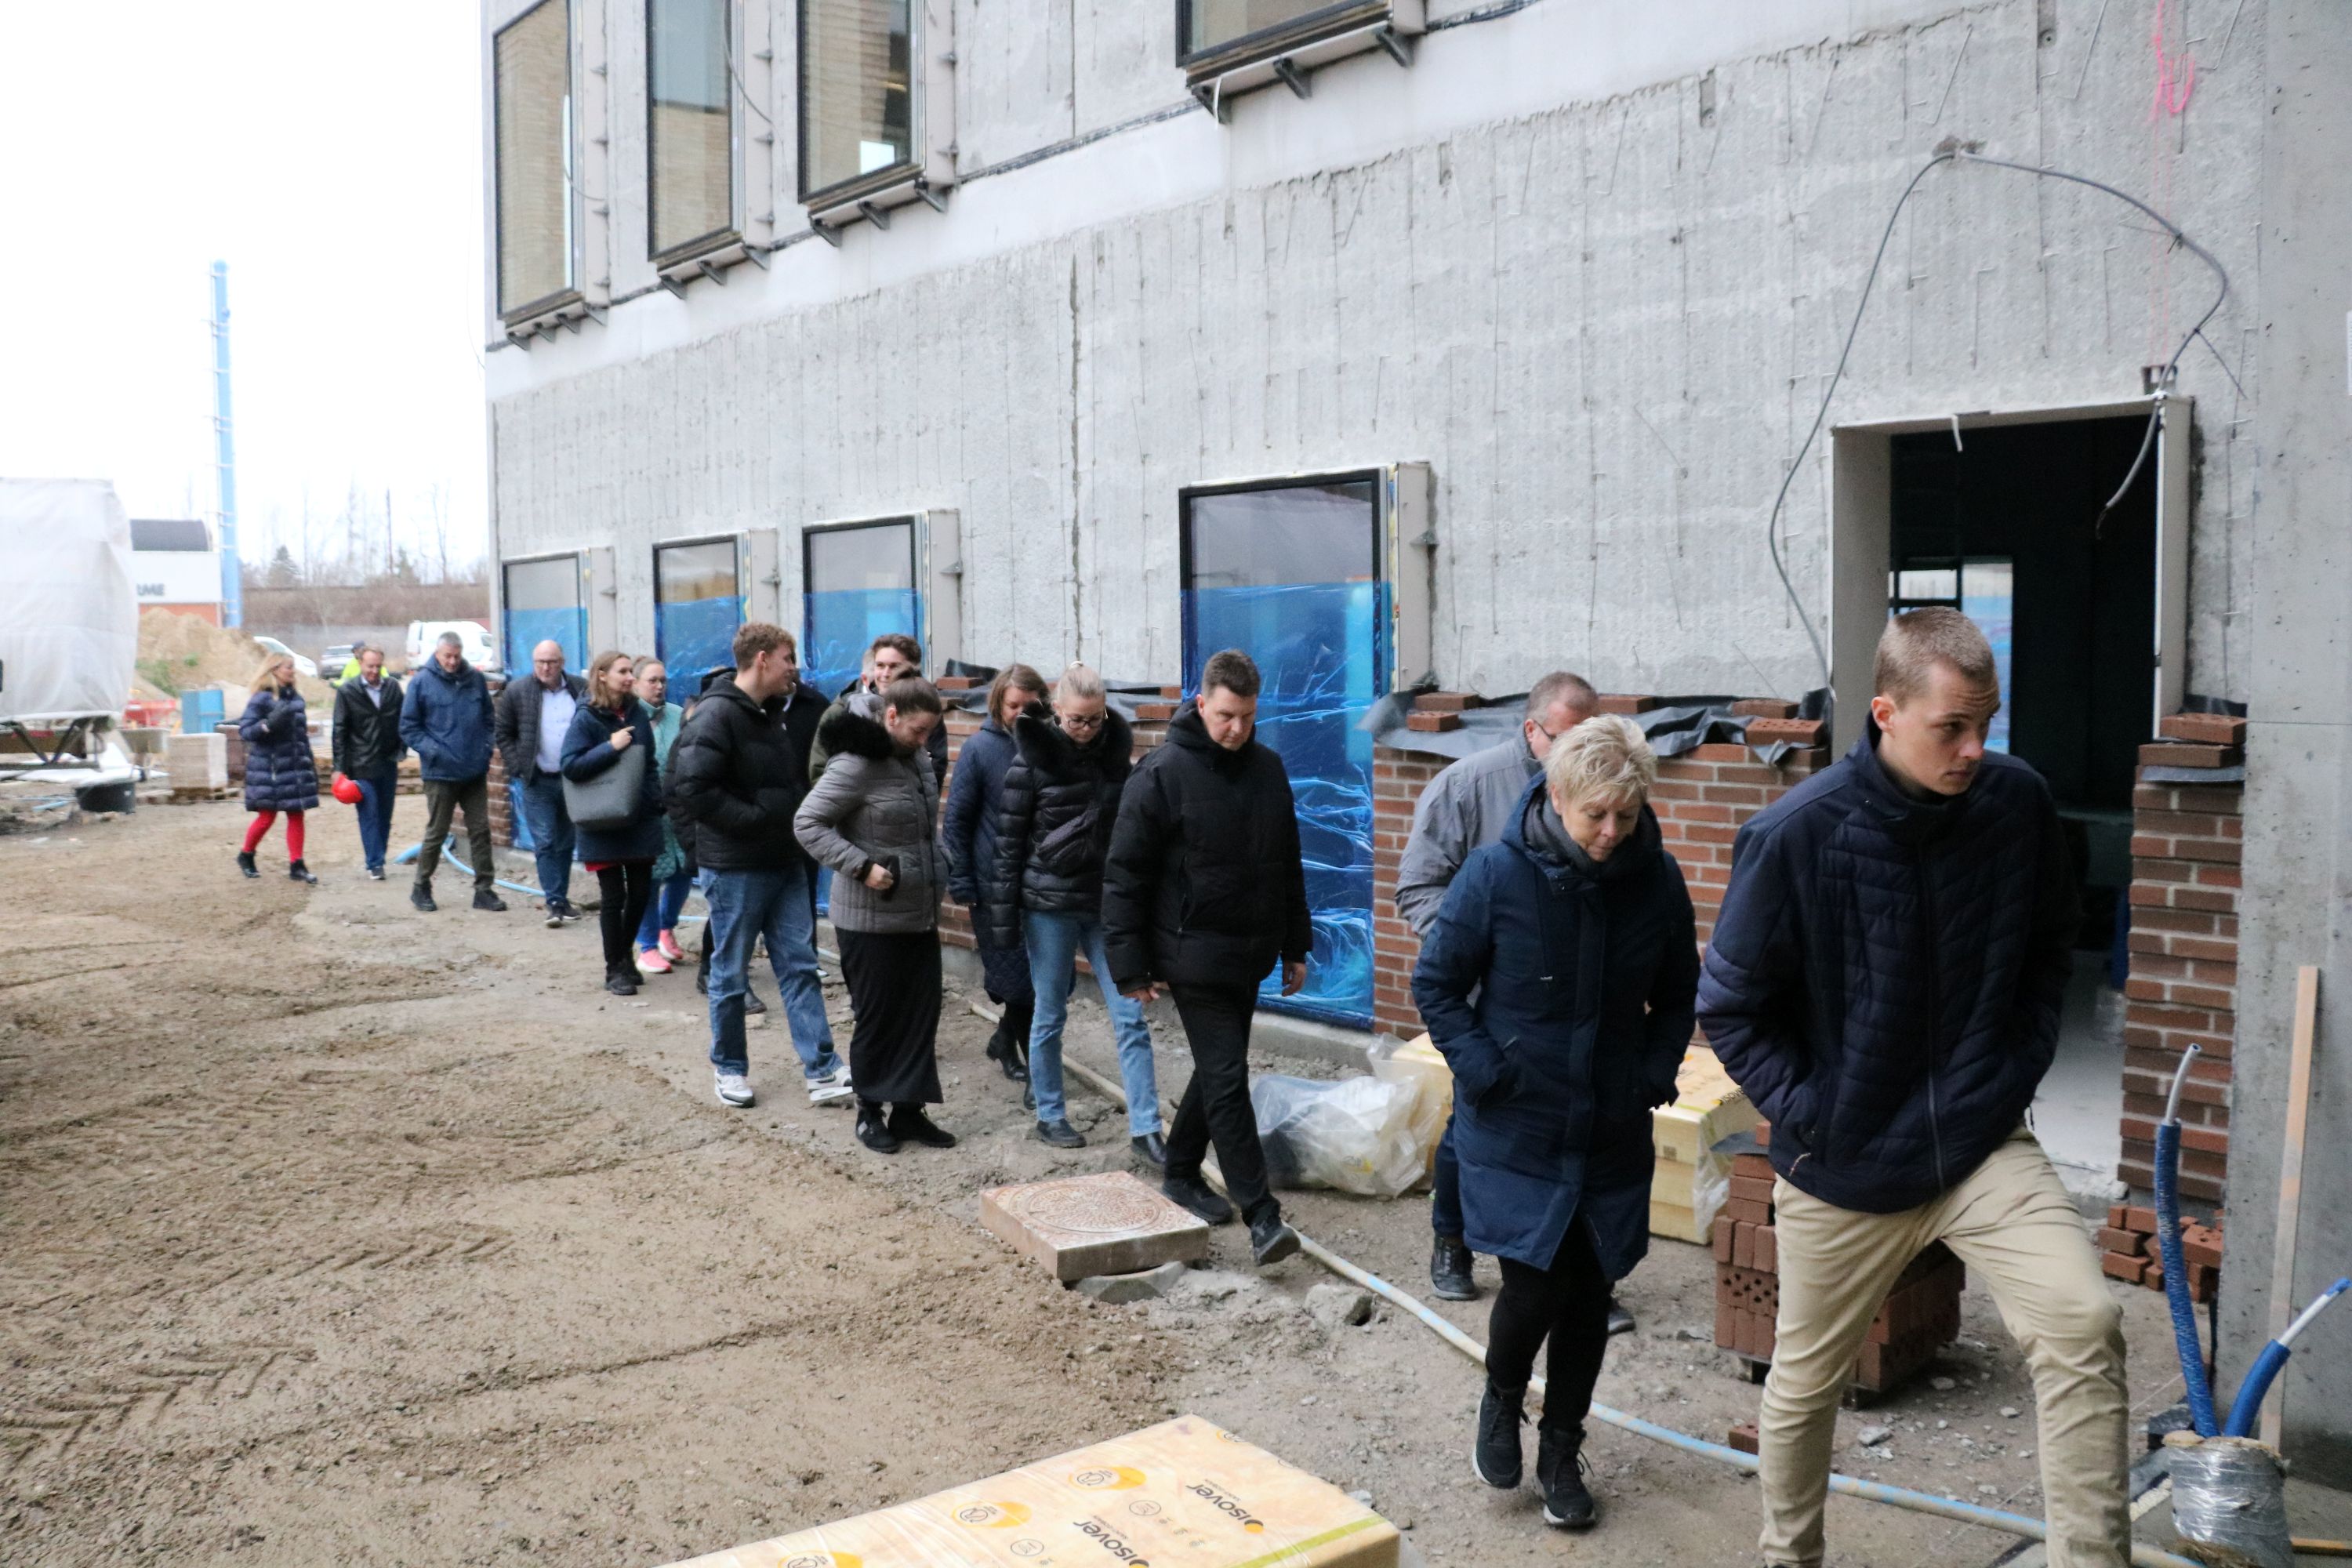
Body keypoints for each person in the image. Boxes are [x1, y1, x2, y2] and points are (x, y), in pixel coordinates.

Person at [1698, 609, 2118, 1568]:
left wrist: (2011, 1064)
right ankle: (1789, 1556)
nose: (1975, 749)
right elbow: (1729, 1007)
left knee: (2085, 1323)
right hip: (1843, 1163)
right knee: (1803, 1384)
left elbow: (2054, 945)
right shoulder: (1794, 836)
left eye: (1988, 724)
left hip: (1978, 1142)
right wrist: (1819, 1112)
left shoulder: (2018, 804)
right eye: (1952, 728)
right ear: (1885, 712)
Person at [1412, 715, 1697, 1531]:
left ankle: (1562, 1446)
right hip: (1519, 1118)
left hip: (1609, 1118)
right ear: (1557, 795)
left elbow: (1679, 990)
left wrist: (1653, 1067)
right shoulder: (1496, 874)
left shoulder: (1658, 881)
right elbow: (1436, 982)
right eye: (1595, 814)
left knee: (1591, 1287)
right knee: (1534, 1280)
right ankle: (1503, 1397)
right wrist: (1484, 1067)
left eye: (1627, 815)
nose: (1611, 833)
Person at [1102, 649, 1308, 1269]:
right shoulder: (1161, 774)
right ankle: (1263, 1218)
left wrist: (1296, 944)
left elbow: (1286, 862)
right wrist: (1129, 964)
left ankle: (1183, 1171)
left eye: (1247, 716)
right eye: (1225, 715)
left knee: (1220, 1068)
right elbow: (1124, 874)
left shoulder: (1268, 770)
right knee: (1226, 1077)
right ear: (1201, 704)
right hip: (1189, 951)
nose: (1236, 729)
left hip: (1248, 952)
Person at [986, 663, 1165, 1161]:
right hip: (1048, 907)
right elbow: (1008, 847)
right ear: (1057, 712)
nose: (1086, 731)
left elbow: (1130, 836)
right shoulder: (1029, 763)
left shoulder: (1115, 760)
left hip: (1104, 905)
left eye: (1095, 720)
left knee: (1130, 1014)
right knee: (1050, 1013)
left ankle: (1147, 1127)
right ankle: (1050, 1114)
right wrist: (1003, 922)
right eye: (1076, 721)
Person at [668, 625, 848, 1109]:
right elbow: (690, 788)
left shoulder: (769, 715)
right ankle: (728, 1069)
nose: (796, 668)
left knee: (800, 966)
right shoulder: (716, 714)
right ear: (763, 659)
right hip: (737, 868)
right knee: (730, 974)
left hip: (784, 860)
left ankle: (823, 1069)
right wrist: (750, 821)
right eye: (789, 658)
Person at [796, 675, 953, 1154]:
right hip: (868, 919)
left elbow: (924, 832)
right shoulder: (855, 764)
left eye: (931, 732)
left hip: (919, 913)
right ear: (891, 717)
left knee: (920, 1014)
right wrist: (862, 868)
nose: (925, 741)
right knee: (880, 1016)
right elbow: (808, 822)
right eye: (918, 731)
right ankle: (870, 1112)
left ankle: (909, 1112)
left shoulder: (919, 760)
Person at [942, 663, 1048, 1093]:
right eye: (1013, 705)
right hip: (993, 888)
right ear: (998, 702)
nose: (1020, 712)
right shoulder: (979, 750)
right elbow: (957, 822)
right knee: (1019, 983)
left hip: (1040, 883)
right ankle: (1034, 1075)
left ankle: (1005, 1041)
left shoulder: (1048, 745)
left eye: (1029, 705)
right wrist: (964, 883)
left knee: (1035, 980)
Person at [561, 651, 665, 996]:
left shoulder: (636, 711)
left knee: (640, 893)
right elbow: (571, 766)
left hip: (639, 817)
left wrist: (654, 801)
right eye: (622, 672)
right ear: (602, 676)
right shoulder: (587, 717)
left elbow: (648, 763)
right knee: (613, 895)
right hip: (602, 819)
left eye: (630, 672)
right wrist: (610, 747)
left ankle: (625, 957)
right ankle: (614, 968)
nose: (629, 677)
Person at [401, 631, 506, 914]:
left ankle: (484, 889)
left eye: (456, 656)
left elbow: (488, 718)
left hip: (473, 770)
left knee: (481, 831)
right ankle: (421, 886)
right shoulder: (422, 682)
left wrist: (486, 748)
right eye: (447, 656)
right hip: (440, 774)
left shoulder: (473, 680)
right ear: (437, 654)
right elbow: (409, 727)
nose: (452, 661)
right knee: (437, 831)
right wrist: (433, 751)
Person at [495, 639, 587, 927]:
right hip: (538, 779)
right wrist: (518, 767)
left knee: (566, 841)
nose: (546, 668)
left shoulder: (580, 688)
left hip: (573, 780)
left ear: (562, 662)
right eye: (540, 663)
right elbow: (503, 731)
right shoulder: (518, 691)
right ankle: (554, 902)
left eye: (551, 662)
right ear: (534, 664)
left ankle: (560, 898)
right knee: (545, 841)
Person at [809, 633, 948, 784]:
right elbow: (820, 772)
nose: (885, 674)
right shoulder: (841, 711)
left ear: (911, 671)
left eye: (894, 666)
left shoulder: (925, 711)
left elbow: (936, 765)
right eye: (880, 665)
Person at [235, 652, 321, 884]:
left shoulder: (296, 698)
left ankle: (297, 864)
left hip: (294, 764)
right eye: (289, 667)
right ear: (274, 669)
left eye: (293, 667)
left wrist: (309, 765)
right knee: (267, 816)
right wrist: (266, 725)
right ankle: (246, 854)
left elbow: (301, 736)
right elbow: (245, 731)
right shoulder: (261, 699)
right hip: (270, 768)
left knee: (296, 813)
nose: (293, 671)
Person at [630, 659, 692, 974]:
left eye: (663, 681)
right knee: (649, 881)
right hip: (646, 814)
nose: (659, 687)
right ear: (636, 683)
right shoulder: (630, 718)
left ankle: (667, 929)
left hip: (677, 813)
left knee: (683, 871)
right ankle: (648, 945)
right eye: (652, 680)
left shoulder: (677, 715)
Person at [330, 645, 405, 881]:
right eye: (369, 666)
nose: (374, 671)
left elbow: (404, 720)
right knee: (369, 812)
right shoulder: (348, 692)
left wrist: (401, 750)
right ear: (360, 664)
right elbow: (339, 731)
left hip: (387, 761)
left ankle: (378, 856)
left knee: (385, 814)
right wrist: (339, 768)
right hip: (360, 764)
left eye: (378, 666)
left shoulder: (392, 688)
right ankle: (374, 862)